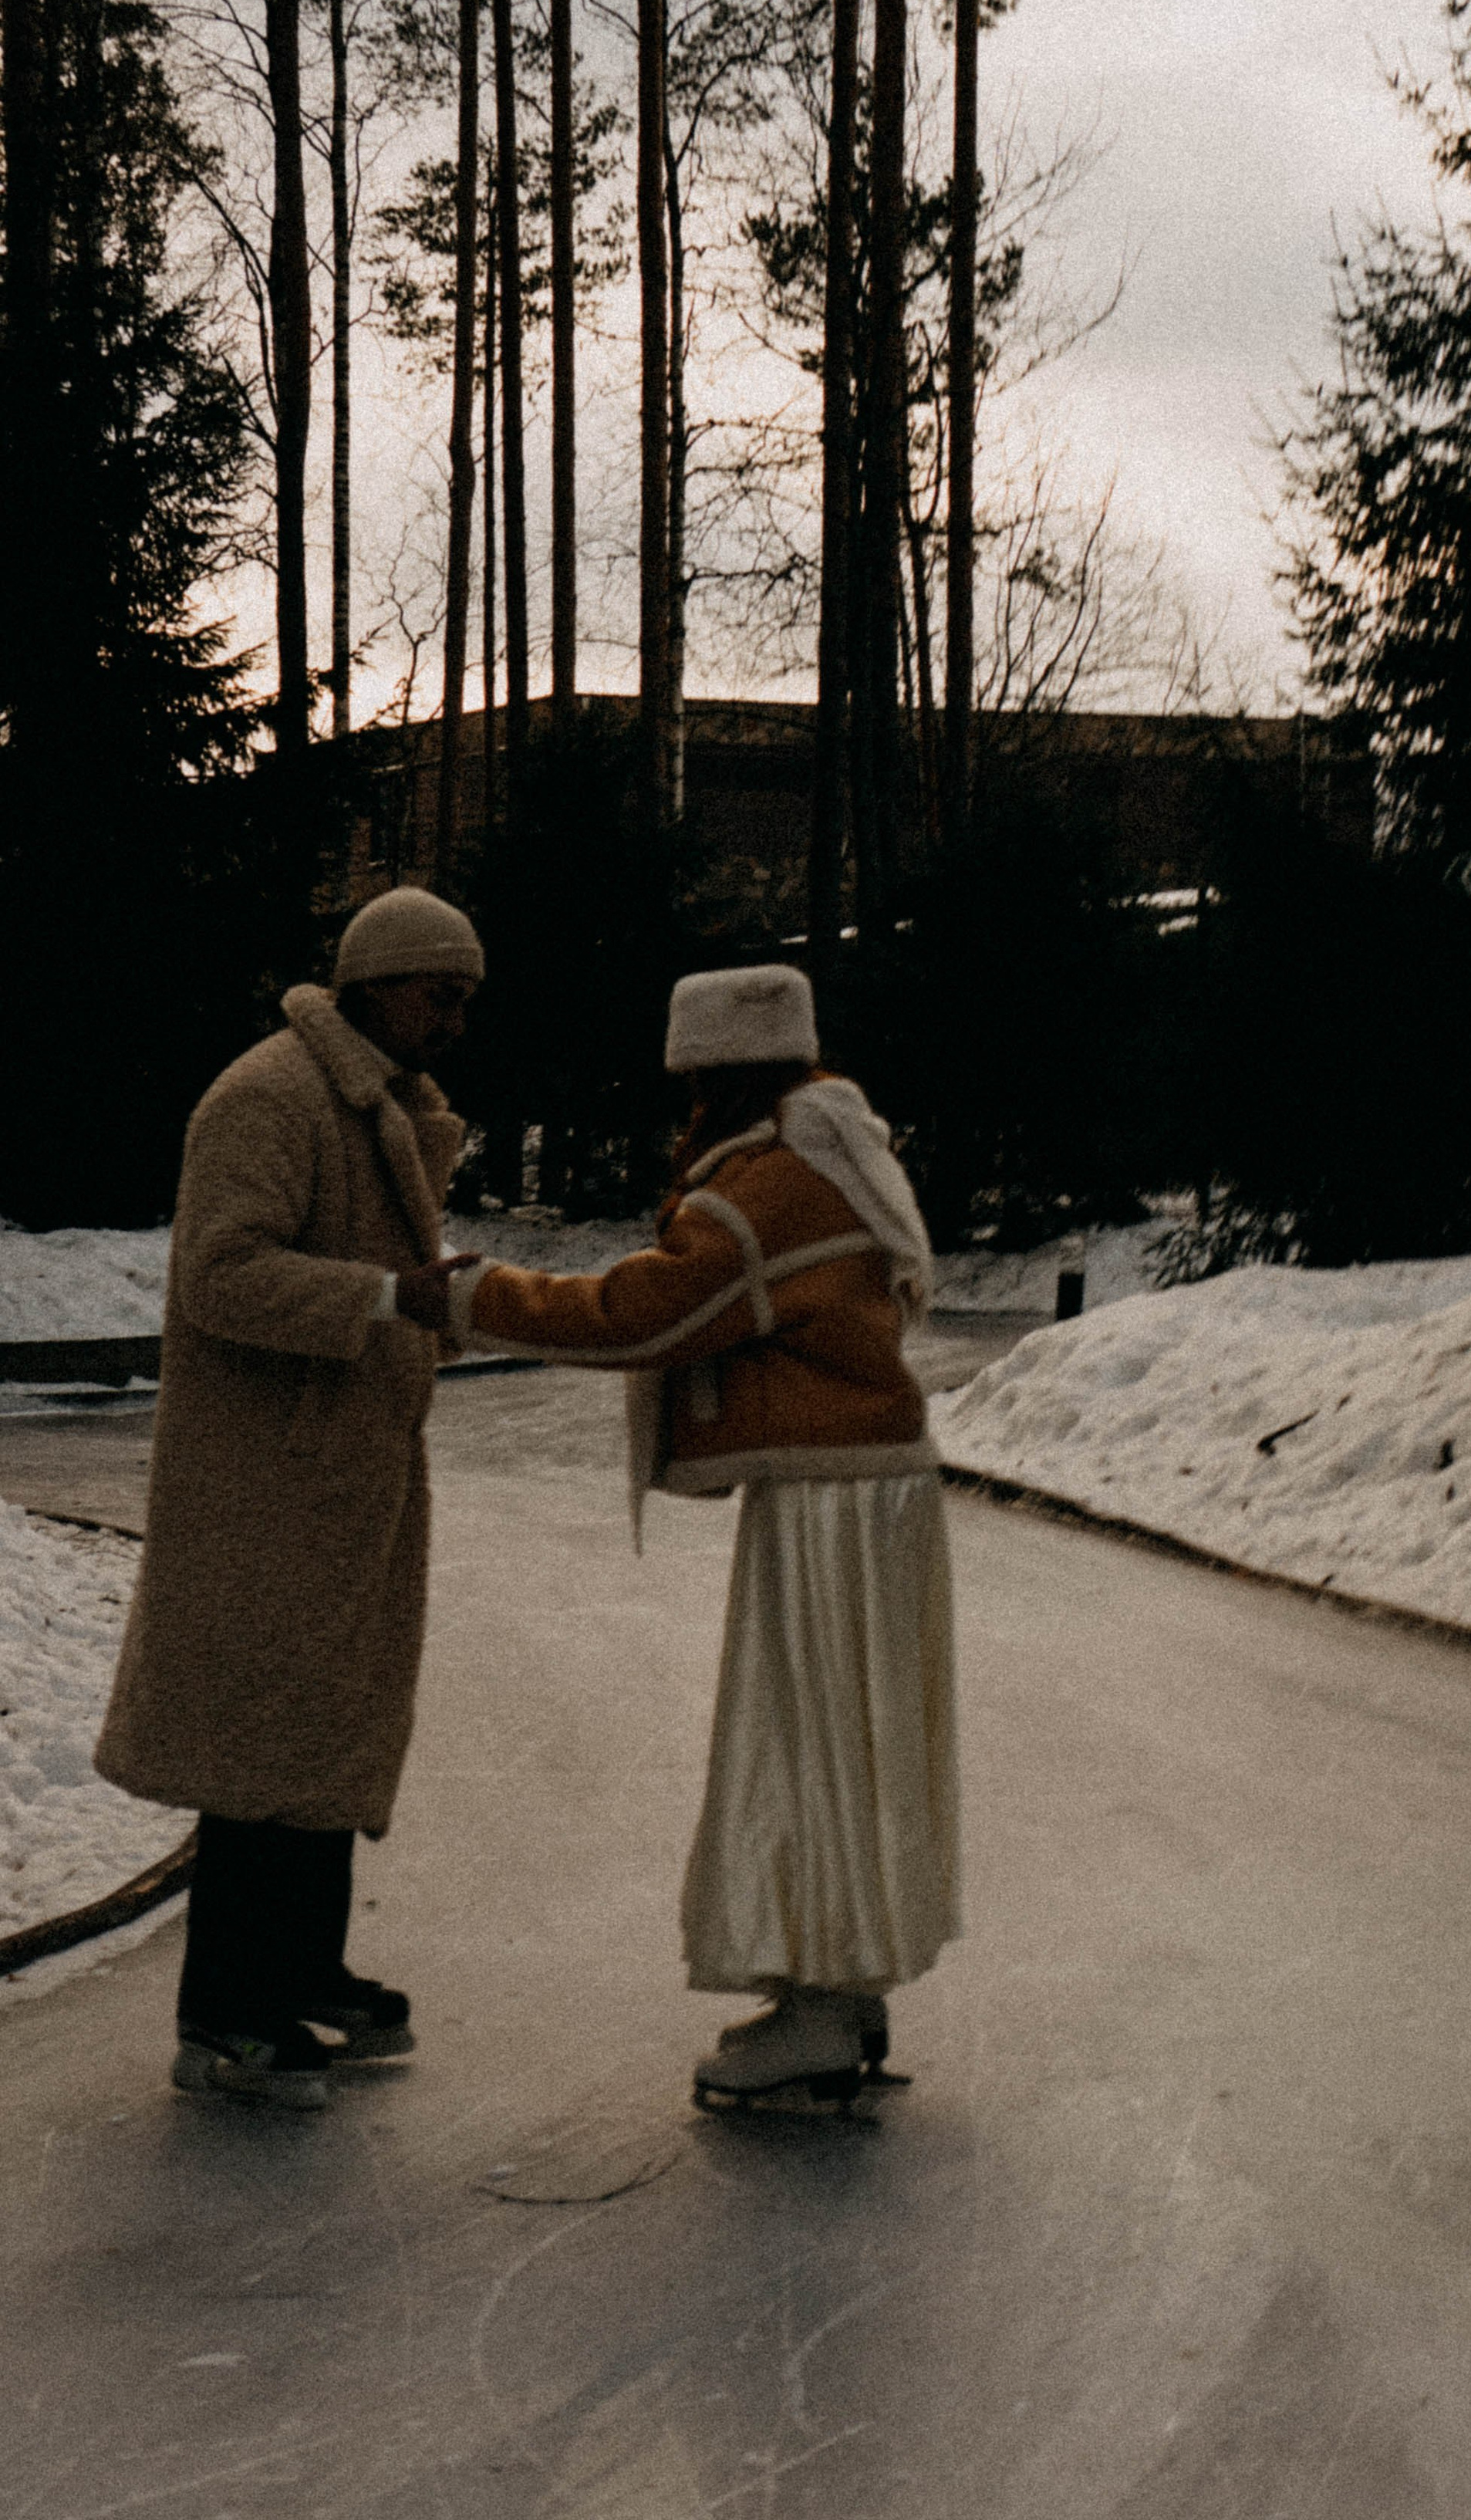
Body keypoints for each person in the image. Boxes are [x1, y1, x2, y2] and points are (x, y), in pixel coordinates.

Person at [397, 962, 959, 2110]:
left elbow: (643, 1315)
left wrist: (472, 1295)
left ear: (713, 1075)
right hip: (864, 1494)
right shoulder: (838, 1147)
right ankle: (840, 1989)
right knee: (850, 1744)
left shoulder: (770, 1187)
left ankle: (818, 2002)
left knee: (809, 1746)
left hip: (829, 1508)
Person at [95, 887, 486, 2112]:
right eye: (440, 993)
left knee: (324, 1733)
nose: (454, 1020)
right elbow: (221, 1274)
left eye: (465, 999)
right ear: (377, 982)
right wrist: (384, 1299)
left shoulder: (375, 1108)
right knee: (257, 1751)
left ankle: (302, 1966)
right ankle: (225, 2012)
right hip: (266, 1486)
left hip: (338, 1480)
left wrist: (413, 1295)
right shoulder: (271, 1097)